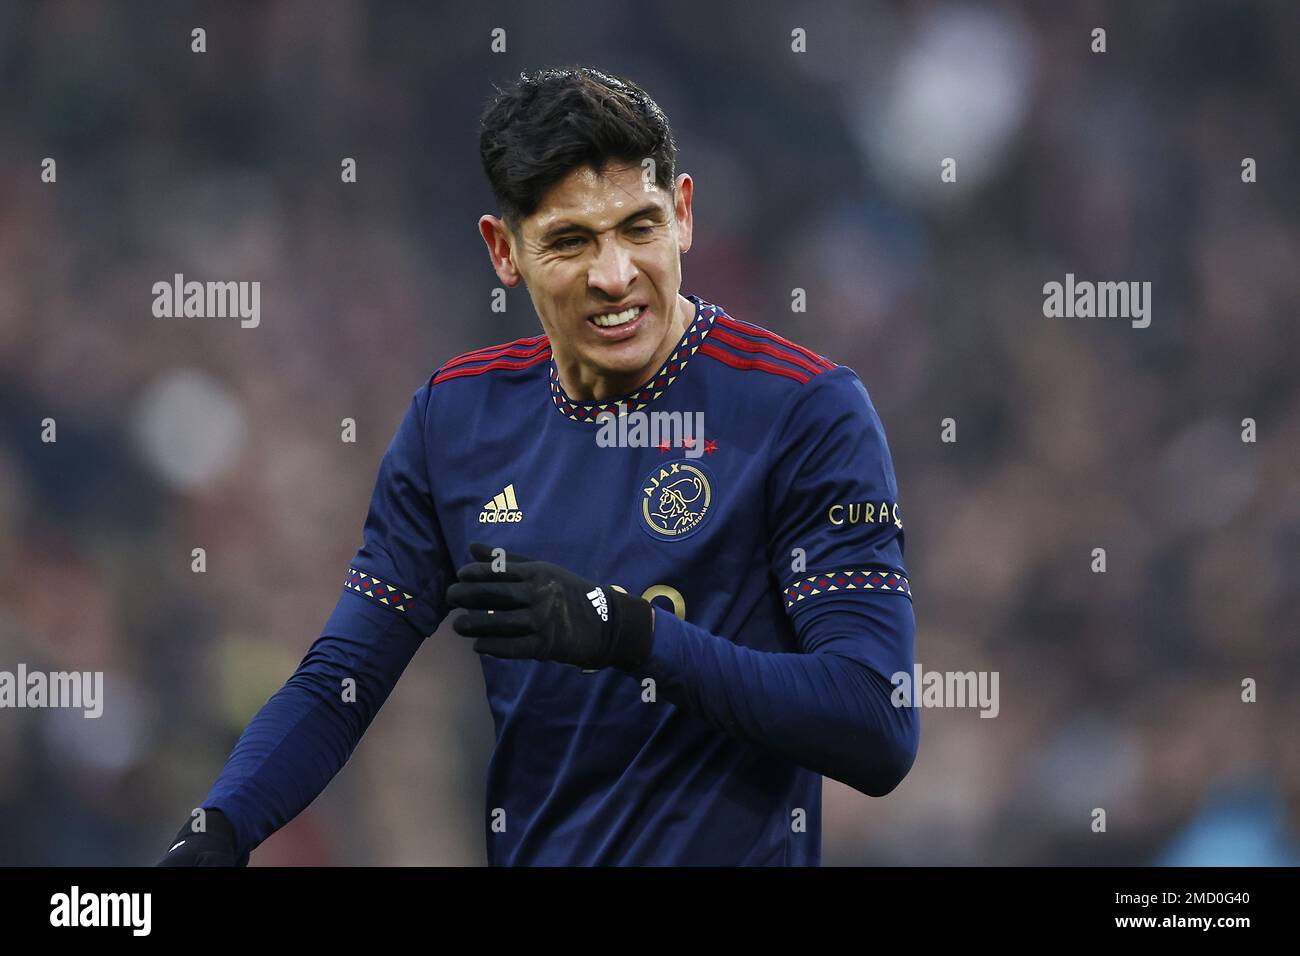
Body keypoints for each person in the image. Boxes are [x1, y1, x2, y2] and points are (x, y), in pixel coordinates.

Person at [157, 65, 918, 867]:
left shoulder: (804, 411)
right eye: (570, 241)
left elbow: (877, 723)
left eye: (640, 227)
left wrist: (630, 634)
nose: (615, 275)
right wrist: (220, 829)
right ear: (503, 250)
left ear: (684, 214)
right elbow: (341, 680)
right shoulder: (454, 422)